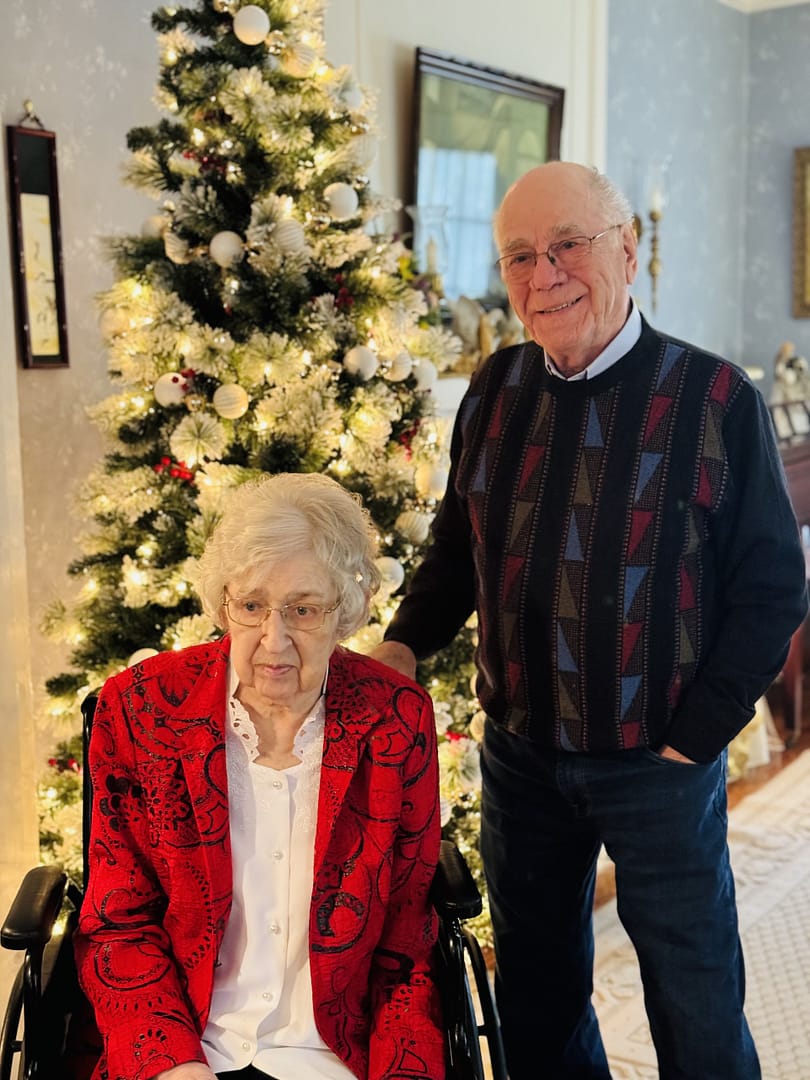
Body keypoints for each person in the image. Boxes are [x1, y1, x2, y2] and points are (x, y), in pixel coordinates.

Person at [372, 161, 809, 1079]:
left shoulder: (715, 399)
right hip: (521, 759)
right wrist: (403, 643)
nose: (544, 275)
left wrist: (698, 737)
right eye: (520, 257)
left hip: (659, 762)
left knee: (693, 999)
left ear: (629, 251)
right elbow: (459, 548)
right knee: (537, 997)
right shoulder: (493, 391)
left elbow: (774, 586)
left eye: (567, 245)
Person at [74, 472, 446, 1080]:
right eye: (251, 606)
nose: (274, 641)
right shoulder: (142, 710)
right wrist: (172, 1066)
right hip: (187, 1048)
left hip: (336, 1054)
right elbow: (120, 923)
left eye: (302, 610)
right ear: (225, 603)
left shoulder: (396, 719)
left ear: (343, 611)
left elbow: (408, 940)